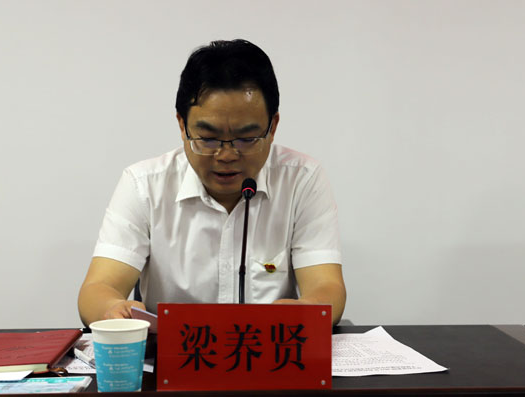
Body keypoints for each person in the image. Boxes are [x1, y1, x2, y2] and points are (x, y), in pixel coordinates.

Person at [78, 39, 346, 326]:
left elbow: (326, 286)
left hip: (266, 346)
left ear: (273, 127)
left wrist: (306, 309)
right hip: (173, 351)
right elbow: (98, 288)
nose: (227, 155)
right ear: (182, 125)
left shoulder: (301, 179)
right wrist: (112, 309)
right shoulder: (144, 185)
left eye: (247, 138)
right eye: (208, 138)